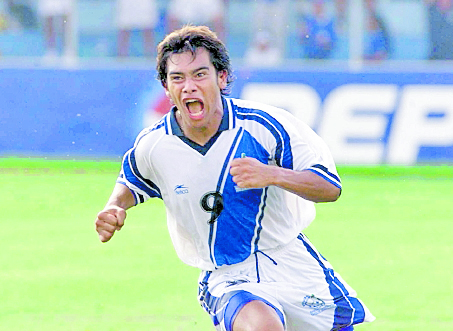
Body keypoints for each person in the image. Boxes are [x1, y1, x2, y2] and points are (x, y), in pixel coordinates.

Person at [95, 25, 375, 331]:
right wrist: (114, 207)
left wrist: (272, 174)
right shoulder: (154, 145)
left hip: (292, 263)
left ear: (222, 77)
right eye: (178, 78)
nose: (189, 86)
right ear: (166, 88)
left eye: (200, 74)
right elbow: (132, 180)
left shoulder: (266, 126)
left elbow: (330, 187)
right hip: (227, 275)